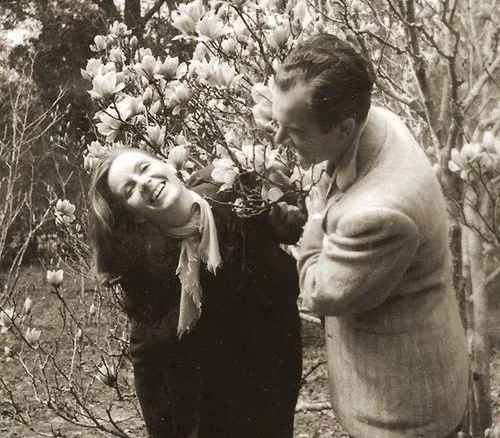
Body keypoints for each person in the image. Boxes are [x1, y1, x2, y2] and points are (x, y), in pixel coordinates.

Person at [271, 33, 469, 438]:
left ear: (344, 128)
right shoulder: (373, 120)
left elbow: (319, 292)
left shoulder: (380, 212)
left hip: (400, 411)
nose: (278, 140)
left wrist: (314, 220)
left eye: (295, 131)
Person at [88, 147, 303, 438]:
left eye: (144, 168)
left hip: (271, 388)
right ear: (135, 215)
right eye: (130, 189)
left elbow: (288, 262)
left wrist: (287, 224)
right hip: (205, 411)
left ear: (167, 165)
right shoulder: (149, 268)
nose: (145, 183)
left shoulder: (237, 194)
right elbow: (147, 356)